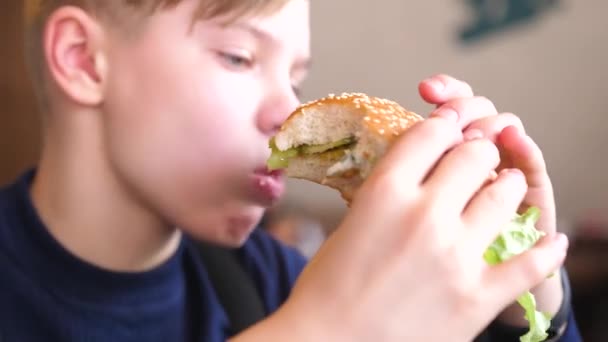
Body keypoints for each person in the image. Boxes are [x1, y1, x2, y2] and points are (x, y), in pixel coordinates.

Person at [0, 0, 582, 341]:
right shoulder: (313, 306)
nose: (286, 112)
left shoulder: (275, 279)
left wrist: (522, 311)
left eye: (295, 78)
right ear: (82, 59)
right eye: (239, 57)